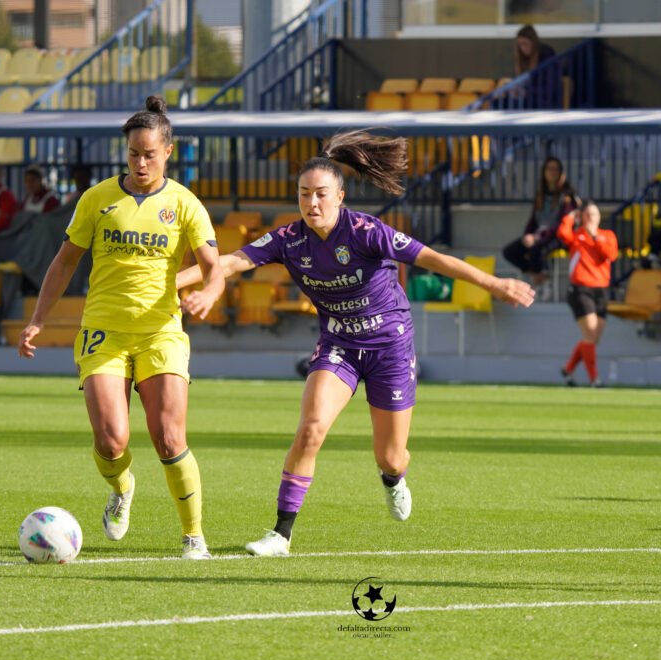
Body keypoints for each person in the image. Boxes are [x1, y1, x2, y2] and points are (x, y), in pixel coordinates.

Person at [178, 131, 535, 557]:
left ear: (340, 197)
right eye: (304, 194)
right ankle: (281, 535)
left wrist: (494, 283)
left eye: (321, 194)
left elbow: (434, 259)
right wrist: (169, 283)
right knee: (311, 429)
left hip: (390, 347)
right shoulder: (288, 239)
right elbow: (230, 262)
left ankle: (393, 479)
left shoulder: (367, 232)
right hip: (339, 345)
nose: (312, 203)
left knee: (391, 457)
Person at [18, 96, 224, 560]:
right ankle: (122, 487)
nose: (140, 162)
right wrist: (37, 319)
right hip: (104, 331)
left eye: (149, 154)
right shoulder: (97, 199)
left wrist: (210, 293)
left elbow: (214, 266)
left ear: (168, 151)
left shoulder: (185, 204)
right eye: (133, 153)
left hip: (160, 332)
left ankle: (193, 536)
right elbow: (64, 262)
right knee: (111, 442)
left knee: (169, 437)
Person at [555, 201, 618, 387]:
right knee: (590, 331)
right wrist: (569, 217)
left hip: (601, 289)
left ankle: (568, 368)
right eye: (587, 214)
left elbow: (611, 255)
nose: (591, 218)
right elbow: (562, 234)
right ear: (582, 217)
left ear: (599, 217)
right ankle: (594, 379)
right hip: (581, 288)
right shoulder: (577, 236)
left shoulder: (607, 235)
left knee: (593, 337)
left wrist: (594, 236)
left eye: (594, 214)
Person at [501, 156, 579, 295]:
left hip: (559, 236)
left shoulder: (568, 196)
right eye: (549, 169)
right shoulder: (540, 195)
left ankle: (544, 283)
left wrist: (538, 237)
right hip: (538, 235)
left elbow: (563, 225)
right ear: (544, 172)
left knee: (537, 249)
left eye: (555, 169)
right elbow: (533, 220)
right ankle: (537, 276)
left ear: (561, 173)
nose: (552, 172)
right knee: (509, 251)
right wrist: (527, 235)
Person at [513, 24, 557, 109]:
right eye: (520, 45)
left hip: (543, 100)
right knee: (498, 103)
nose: (523, 48)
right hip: (528, 98)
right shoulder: (524, 59)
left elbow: (549, 86)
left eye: (525, 44)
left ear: (533, 42)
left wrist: (527, 92)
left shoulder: (546, 54)